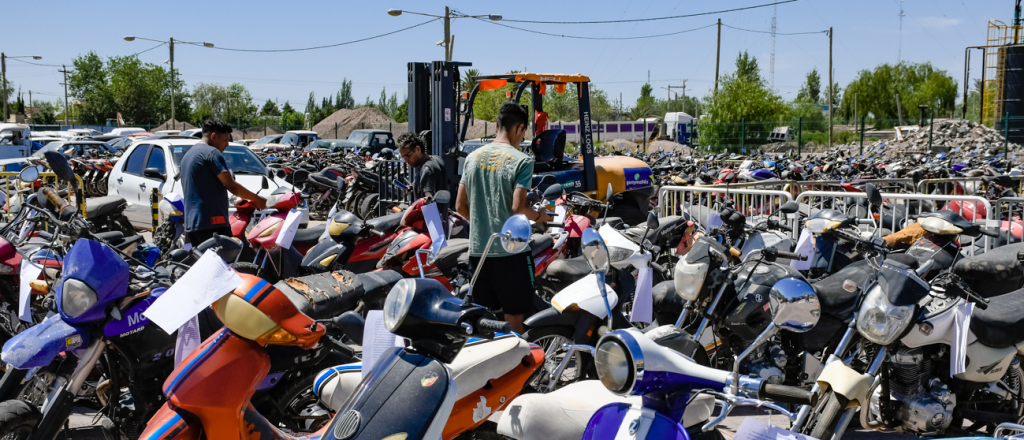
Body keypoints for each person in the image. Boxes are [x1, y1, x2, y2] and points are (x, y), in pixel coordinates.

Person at [456, 103, 550, 333]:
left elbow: (460, 206)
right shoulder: (521, 160)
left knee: (480, 318)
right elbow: (518, 207)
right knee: (514, 316)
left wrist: (483, 224)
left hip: (479, 250)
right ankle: (515, 364)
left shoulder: (472, 158)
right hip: (511, 251)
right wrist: (540, 216)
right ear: (519, 128)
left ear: (497, 125)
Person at [181, 119, 267, 246]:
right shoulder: (212, 153)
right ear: (214, 136)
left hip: (193, 224)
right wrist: (258, 199)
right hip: (212, 224)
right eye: (225, 140)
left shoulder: (188, 155)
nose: (227, 145)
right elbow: (232, 186)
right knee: (222, 264)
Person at [397, 132, 446, 198]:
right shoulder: (437, 159)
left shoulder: (427, 169)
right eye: (404, 158)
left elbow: (429, 199)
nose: (406, 161)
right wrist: (414, 187)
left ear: (418, 149)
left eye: (407, 156)